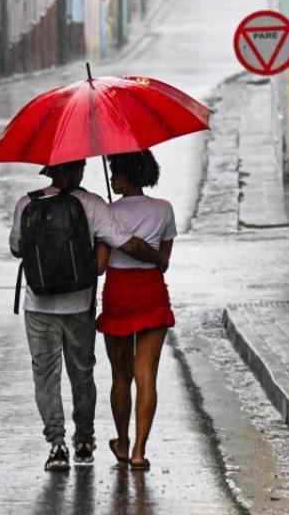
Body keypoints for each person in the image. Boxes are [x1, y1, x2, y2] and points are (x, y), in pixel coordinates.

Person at [9, 159, 167, 473]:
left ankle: (56, 445)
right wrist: (156, 257)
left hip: (38, 306)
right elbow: (125, 244)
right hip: (79, 305)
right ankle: (84, 439)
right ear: (79, 170)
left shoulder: (27, 202)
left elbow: (16, 248)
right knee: (82, 374)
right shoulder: (91, 203)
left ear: (48, 171)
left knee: (46, 377)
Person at [97, 150, 176, 471]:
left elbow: (101, 266)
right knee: (147, 377)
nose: (112, 177)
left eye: (115, 172)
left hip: (118, 293)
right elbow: (164, 261)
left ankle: (122, 440)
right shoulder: (163, 210)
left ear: (126, 175)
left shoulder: (107, 213)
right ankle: (140, 451)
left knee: (121, 376)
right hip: (152, 293)